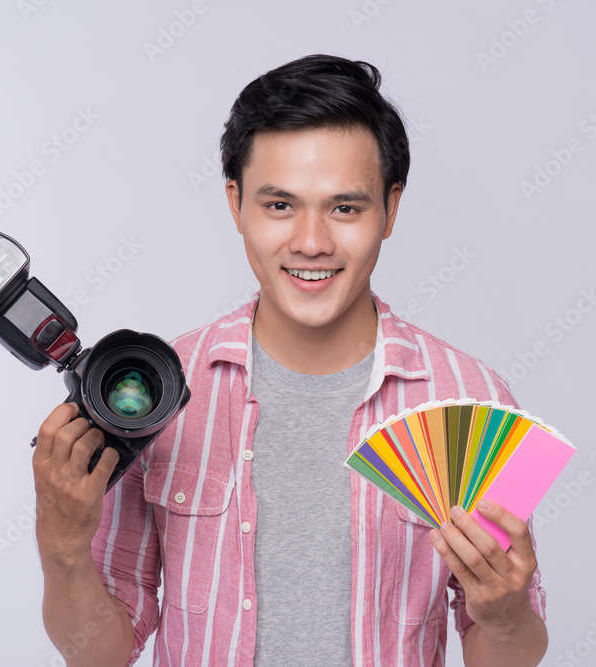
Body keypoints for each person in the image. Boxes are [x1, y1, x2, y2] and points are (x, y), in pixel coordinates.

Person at [32, 54, 548, 666]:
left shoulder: (481, 398)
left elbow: (516, 652)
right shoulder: (155, 390)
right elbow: (99, 655)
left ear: (392, 207)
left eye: (345, 208)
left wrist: (507, 615)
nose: (311, 242)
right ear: (236, 204)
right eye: (280, 206)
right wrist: (61, 547)